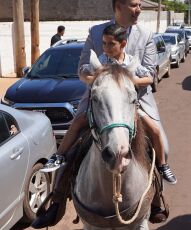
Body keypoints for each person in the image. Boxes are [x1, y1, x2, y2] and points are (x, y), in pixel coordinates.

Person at [31, 0, 172, 228]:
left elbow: (151, 76)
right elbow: (82, 71)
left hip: (135, 100)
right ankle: (56, 200)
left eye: (139, 5)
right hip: (100, 99)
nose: (139, 9)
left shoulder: (146, 35)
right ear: (119, 6)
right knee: (72, 143)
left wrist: (124, 82)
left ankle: (155, 198)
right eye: (135, 4)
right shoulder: (95, 32)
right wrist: (101, 81)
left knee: (162, 145)